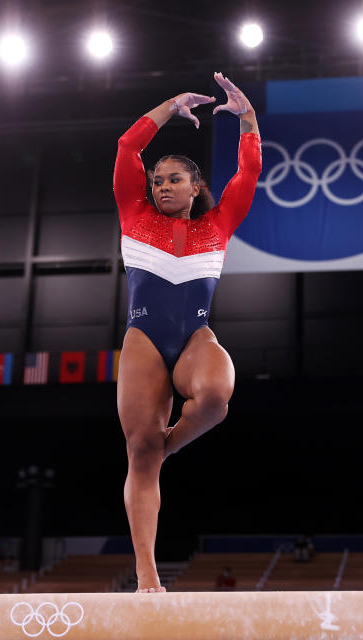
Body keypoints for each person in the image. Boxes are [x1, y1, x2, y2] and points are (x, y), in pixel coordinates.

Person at [114, 72, 261, 593]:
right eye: (157, 180)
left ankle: (167, 447)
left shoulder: (218, 223)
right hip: (144, 341)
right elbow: (128, 146)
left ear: (196, 186)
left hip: (195, 337)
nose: (161, 186)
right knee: (139, 454)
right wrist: (171, 105)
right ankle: (148, 576)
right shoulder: (133, 213)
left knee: (218, 395)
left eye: (173, 179)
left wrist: (246, 116)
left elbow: (250, 169)